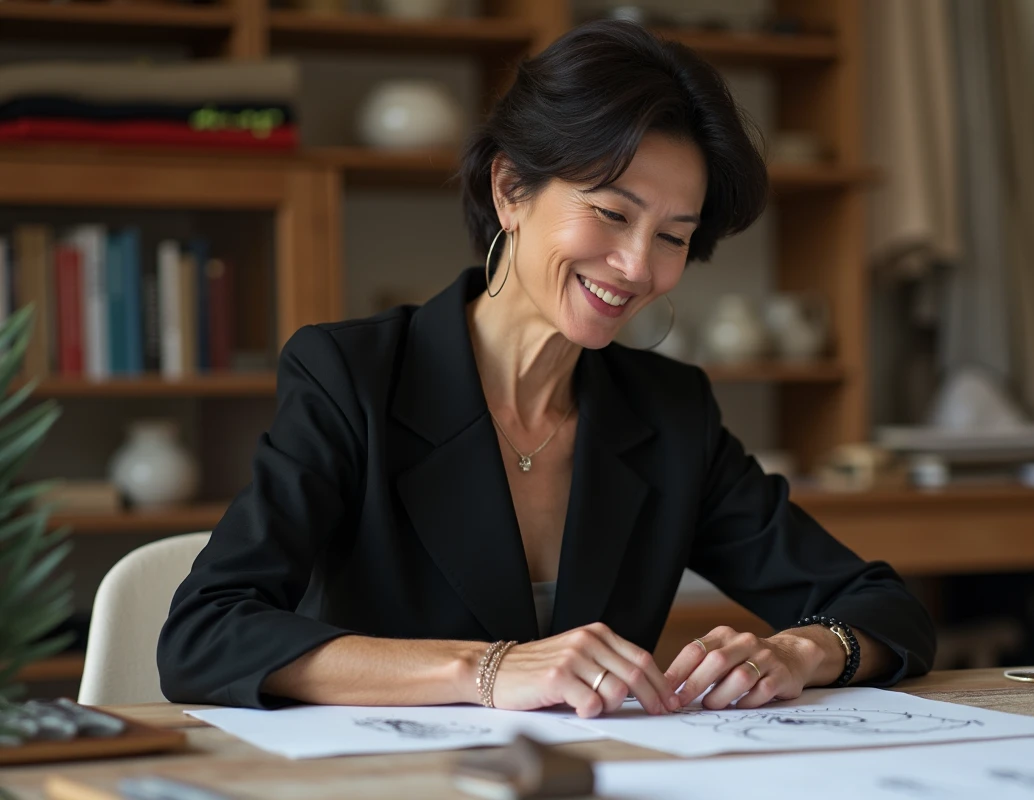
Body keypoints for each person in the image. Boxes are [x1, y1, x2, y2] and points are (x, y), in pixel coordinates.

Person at [158, 20, 935, 717]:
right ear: (510, 189)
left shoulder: (669, 412)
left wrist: (801, 650)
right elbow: (207, 632)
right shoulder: (353, 376)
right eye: (611, 212)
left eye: (674, 236)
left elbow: (880, 604)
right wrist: (488, 670)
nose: (636, 265)